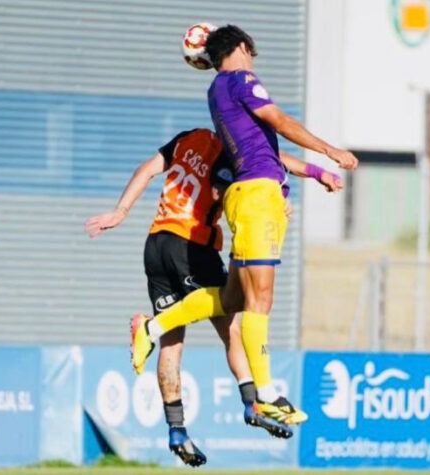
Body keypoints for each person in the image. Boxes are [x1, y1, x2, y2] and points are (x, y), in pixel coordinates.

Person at [130, 24, 358, 426]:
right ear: (241, 47)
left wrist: (315, 172)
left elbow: (265, 147)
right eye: (251, 51)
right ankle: (267, 395)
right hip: (257, 198)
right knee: (261, 298)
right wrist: (330, 150)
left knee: (232, 298)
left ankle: (155, 325)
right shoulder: (241, 79)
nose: (253, 59)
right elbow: (281, 121)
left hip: (253, 195)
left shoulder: (218, 90)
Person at [86, 128, 341, 466]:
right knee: (231, 320)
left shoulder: (186, 139)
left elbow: (146, 169)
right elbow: (245, 179)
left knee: (172, 343)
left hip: (156, 244)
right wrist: (275, 196)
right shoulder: (233, 151)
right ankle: (253, 402)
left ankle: (177, 430)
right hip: (193, 244)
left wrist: (120, 211)